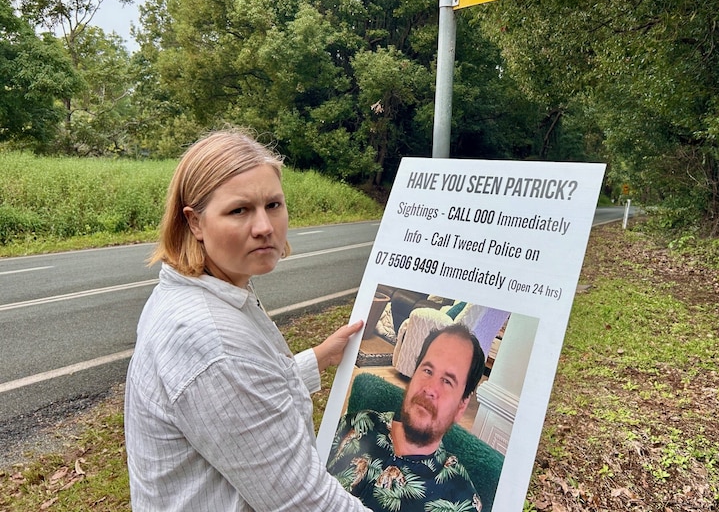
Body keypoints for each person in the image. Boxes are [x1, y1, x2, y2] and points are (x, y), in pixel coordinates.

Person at [124, 129, 370, 512]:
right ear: (195, 223)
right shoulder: (211, 342)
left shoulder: (197, 290)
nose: (265, 227)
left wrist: (319, 357)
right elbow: (302, 501)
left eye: (273, 204)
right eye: (239, 210)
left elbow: (246, 393)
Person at [327, 324, 486, 512]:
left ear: (461, 405)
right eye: (427, 370)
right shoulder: (357, 424)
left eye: (447, 381)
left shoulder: (461, 501)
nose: (430, 389)